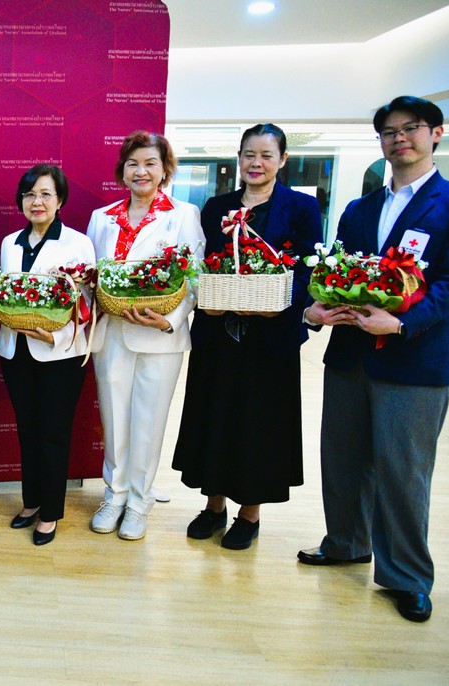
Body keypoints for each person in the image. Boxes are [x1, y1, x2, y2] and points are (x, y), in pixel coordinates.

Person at [299, 96, 449, 622]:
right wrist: (319, 306)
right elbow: (337, 269)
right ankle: (346, 543)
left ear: (436, 133)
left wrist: (401, 324)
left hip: (415, 360)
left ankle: (408, 576)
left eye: (411, 128)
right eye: (390, 131)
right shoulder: (360, 209)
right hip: (351, 354)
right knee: (343, 460)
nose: (400, 138)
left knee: (404, 472)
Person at [171, 125, 321, 550]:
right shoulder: (217, 206)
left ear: (282, 160)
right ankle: (213, 506)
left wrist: (281, 305)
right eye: (249, 155)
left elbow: (308, 269)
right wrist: (206, 296)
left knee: (260, 425)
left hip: (271, 339)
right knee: (214, 415)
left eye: (266, 155)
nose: (256, 163)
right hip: (218, 332)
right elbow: (201, 264)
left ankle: (249, 514)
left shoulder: (301, 207)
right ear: (238, 158)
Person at [87, 131, 204, 541]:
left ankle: (139, 501)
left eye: (151, 163)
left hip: (160, 337)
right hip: (112, 332)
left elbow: (195, 277)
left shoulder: (183, 214)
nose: (142, 171)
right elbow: (92, 276)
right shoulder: (102, 217)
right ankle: (114, 495)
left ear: (164, 170)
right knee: (114, 418)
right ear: (123, 170)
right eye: (133, 163)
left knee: (149, 421)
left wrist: (169, 319)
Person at [0, 165, 95, 546]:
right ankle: (32, 500)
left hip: (61, 354)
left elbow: (88, 301)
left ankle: (50, 512)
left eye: (45, 194)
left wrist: (57, 335)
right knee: (27, 430)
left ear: (60, 200)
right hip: (15, 350)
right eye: (29, 195)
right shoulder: (10, 243)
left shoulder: (77, 243)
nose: (36, 202)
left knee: (53, 433)